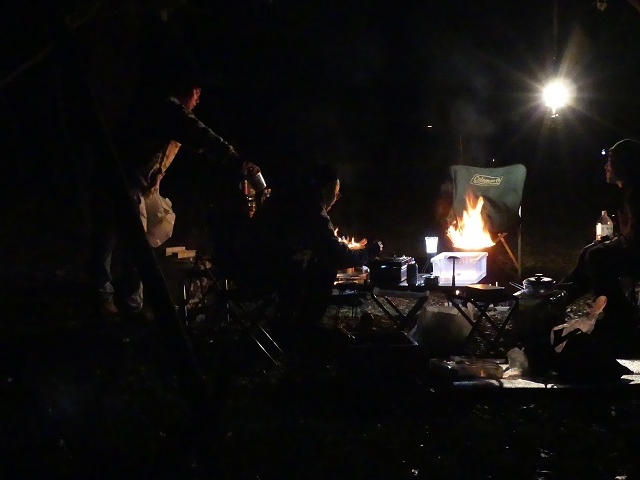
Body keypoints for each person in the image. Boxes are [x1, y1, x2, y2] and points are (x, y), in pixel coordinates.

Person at [90, 73, 258, 319]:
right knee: (129, 243)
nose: (198, 99)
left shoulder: (161, 107)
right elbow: (202, 137)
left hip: (131, 181)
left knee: (121, 239)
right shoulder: (169, 109)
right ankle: (124, 304)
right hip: (122, 180)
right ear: (184, 90)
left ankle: (115, 299)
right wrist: (239, 162)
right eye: (197, 93)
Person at [244, 163, 382, 345]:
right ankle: (304, 329)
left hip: (247, 267)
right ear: (326, 188)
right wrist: (370, 251)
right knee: (325, 268)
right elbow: (338, 256)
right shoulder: (311, 210)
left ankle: (286, 321)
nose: (336, 198)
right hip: (269, 276)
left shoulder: (284, 200)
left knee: (311, 264)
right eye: (336, 192)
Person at [559, 138, 640, 351]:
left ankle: (620, 315)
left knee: (597, 256)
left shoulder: (636, 195)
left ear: (624, 165)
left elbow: (636, 239)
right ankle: (558, 297)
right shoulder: (630, 192)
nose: (606, 166)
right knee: (591, 251)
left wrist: (613, 244)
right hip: (634, 251)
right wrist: (612, 242)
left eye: (611, 161)